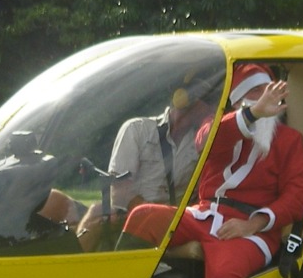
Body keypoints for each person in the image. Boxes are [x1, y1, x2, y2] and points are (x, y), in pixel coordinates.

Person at [124, 63, 303, 278]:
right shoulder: (217, 126)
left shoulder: (291, 140)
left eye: (271, 94)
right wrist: (253, 114)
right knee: (141, 217)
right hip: (204, 215)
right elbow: (207, 141)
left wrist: (254, 223)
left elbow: (297, 197)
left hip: (252, 230)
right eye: (256, 95)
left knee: (223, 272)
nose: (267, 101)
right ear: (240, 101)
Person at [74, 86, 215, 251]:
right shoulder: (137, 129)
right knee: (97, 211)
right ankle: (69, 269)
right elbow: (119, 192)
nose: (212, 110)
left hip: (174, 220)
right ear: (183, 98)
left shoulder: (204, 143)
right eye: (209, 102)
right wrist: (147, 214)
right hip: (133, 213)